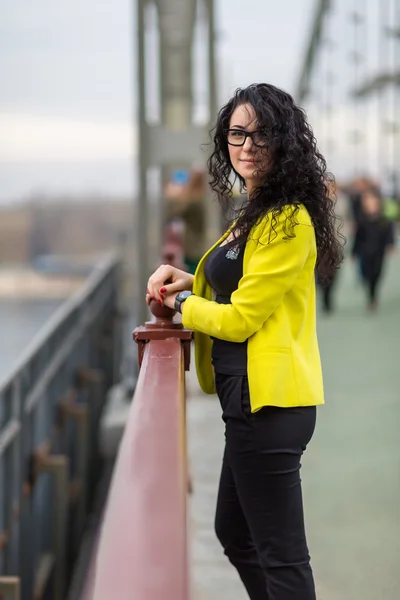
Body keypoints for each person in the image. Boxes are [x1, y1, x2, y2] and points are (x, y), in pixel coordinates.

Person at [146, 83, 343, 600]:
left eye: (261, 134)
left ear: (285, 143)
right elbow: (237, 280)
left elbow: (240, 320)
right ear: (224, 140)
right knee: (235, 534)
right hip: (246, 400)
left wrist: (178, 306)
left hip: (269, 403)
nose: (247, 145)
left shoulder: (286, 219)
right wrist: (191, 280)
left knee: (282, 558)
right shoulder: (256, 210)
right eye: (237, 133)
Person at [352, 187, 395, 311]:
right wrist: (354, 252)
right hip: (365, 252)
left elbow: (389, 235)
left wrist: (390, 245)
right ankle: (370, 291)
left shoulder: (383, 220)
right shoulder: (362, 220)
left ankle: (373, 296)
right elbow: (358, 237)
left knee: (376, 274)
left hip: (379, 252)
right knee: (365, 273)